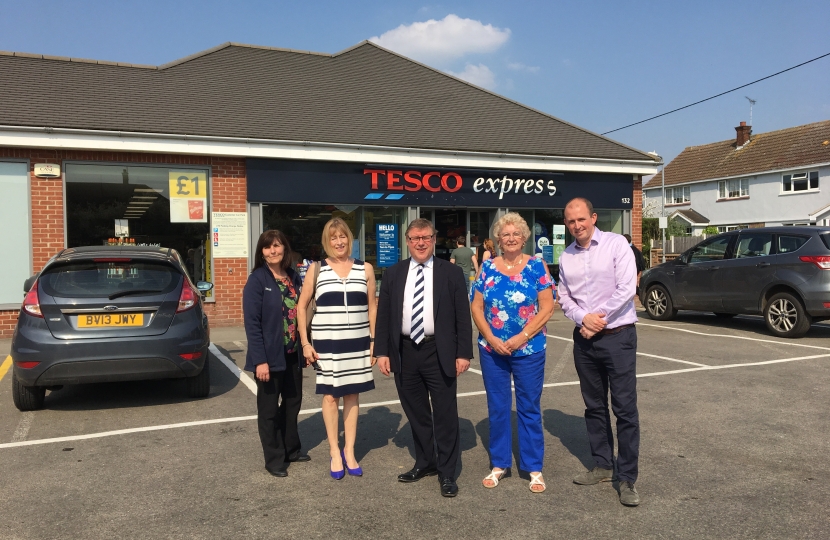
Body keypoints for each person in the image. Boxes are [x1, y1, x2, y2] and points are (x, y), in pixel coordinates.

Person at [374, 218, 473, 498]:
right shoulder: (393, 273)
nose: (420, 242)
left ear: (434, 239)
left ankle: (447, 472)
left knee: (444, 414)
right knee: (416, 413)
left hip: (438, 351)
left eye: (426, 237)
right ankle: (426, 462)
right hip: (405, 352)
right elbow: (385, 316)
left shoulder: (450, 273)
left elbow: (462, 316)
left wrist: (463, 352)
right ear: (407, 241)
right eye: (415, 238)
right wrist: (381, 351)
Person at [558, 197, 641, 507]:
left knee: (624, 409)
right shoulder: (566, 256)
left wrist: (597, 319)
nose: (577, 225)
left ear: (593, 217)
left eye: (581, 219)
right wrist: (583, 319)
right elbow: (564, 297)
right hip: (585, 340)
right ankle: (604, 465)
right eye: (571, 221)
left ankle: (628, 477)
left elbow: (626, 288)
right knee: (594, 406)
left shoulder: (617, 244)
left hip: (618, 337)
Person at [470, 213, 555, 493]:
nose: (510, 239)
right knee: (498, 407)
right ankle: (499, 464)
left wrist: (522, 336)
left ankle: (533, 468)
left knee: (529, 407)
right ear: (498, 239)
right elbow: (476, 307)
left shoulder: (536, 266)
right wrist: (492, 338)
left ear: (524, 237)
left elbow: (547, 306)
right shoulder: (487, 267)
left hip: (528, 348)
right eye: (505, 235)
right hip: (492, 349)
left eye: (515, 234)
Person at [297, 218, 377, 480]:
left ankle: (349, 451)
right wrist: (306, 343)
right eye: (333, 238)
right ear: (327, 241)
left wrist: (374, 341)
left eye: (343, 236)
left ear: (349, 239)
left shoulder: (365, 269)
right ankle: (334, 452)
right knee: (331, 396)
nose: (339, 242)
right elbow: (301, 307)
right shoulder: (316, 269)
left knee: (352, 395)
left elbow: (373, 307)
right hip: (327, 344)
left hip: (357, 342)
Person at [243, 230, 309, 478]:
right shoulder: (257, 280)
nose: (273, 251)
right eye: (267, 247)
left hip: (292, 354)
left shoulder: (292, 276)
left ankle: (291, 448)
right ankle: (274, 459)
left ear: (285, 249)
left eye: (277, 246)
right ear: (261, 252)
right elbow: (252, 323)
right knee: (269, 410)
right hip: (269, 358)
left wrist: (306, 345)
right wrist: (260, 360)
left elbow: (302, 313)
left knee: (293, 404)